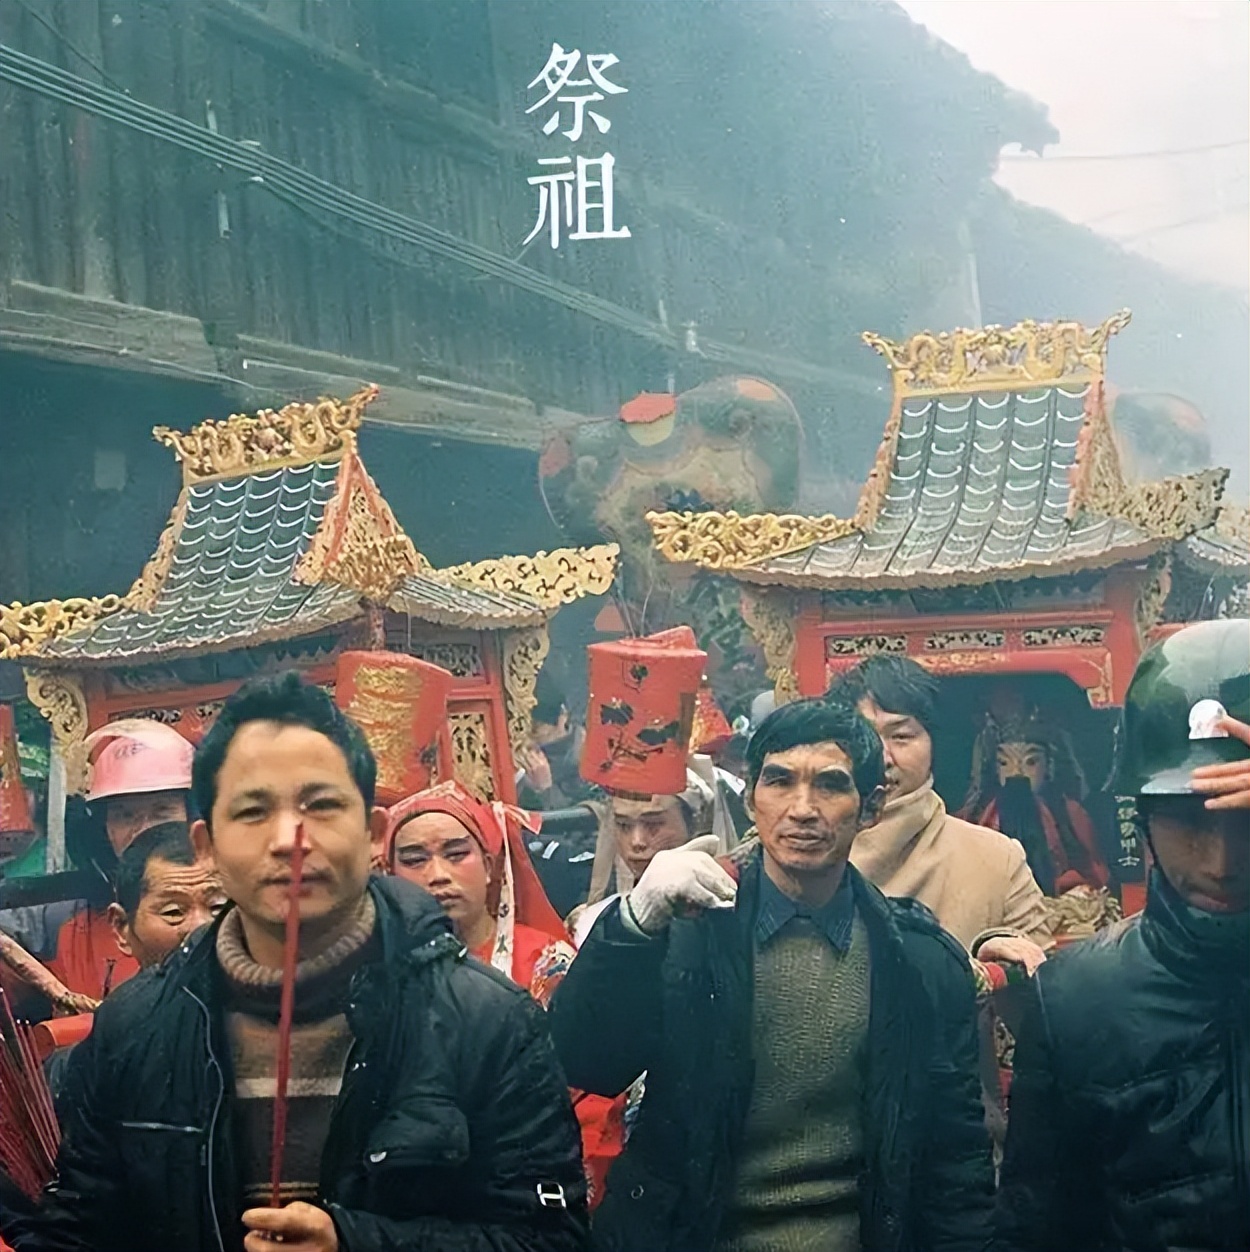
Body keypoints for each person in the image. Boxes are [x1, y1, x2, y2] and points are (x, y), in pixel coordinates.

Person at [19, 671, 588, 1252]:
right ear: (206, 845)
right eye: (252, 811)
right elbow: (81, 1228)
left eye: (320, 805)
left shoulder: (489, 1022)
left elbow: (549, 1240)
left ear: (372, 834)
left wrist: (354, 1242)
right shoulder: (139, 1026)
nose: (290, 837)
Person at [550, 696, 995, 1251]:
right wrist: (637, 924)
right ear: (752, 797)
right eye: (779, 781)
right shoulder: (690, 934)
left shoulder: (919, 963)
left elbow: (956, 1165)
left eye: (830, 785)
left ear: (871, 806)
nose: (802, 808)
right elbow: (587, 1059)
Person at [995, 618, 1250, 1252]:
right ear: (1142, 814)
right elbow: (1039, 1224)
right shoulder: (1078, 999)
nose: (1223, 862)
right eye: (1189, 819)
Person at [386, 781, 624, 1208]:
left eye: (457, 854)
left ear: (492, 865)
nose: (437, 875)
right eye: (414, 859)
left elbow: (587, 1098)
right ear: (389, 875)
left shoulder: (546, 966)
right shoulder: (375, 977)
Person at [828, 656, 1052, 969]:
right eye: (864, 737)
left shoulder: (997, 861)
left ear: (935, 744)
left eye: (902, 736)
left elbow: (1045, 989)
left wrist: (999, 971)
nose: (883, 757)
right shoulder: (797, 849)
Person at [0, 719, 194, 1009]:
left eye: (161, 812)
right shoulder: (63, 918)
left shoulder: (233, 908)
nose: (142, 830)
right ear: (102, 829)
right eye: (125, 816)